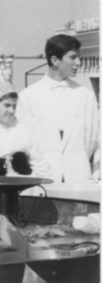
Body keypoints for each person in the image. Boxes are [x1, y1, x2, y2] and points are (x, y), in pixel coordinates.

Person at [17, 34, 100, 183]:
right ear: (55, 60)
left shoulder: (85, 95)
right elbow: (25, 140)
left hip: (77, 178)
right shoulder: (27, 96)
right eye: (73, 57)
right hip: (42, 176)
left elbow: (91, 140)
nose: (78, 62)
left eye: (79, 57)